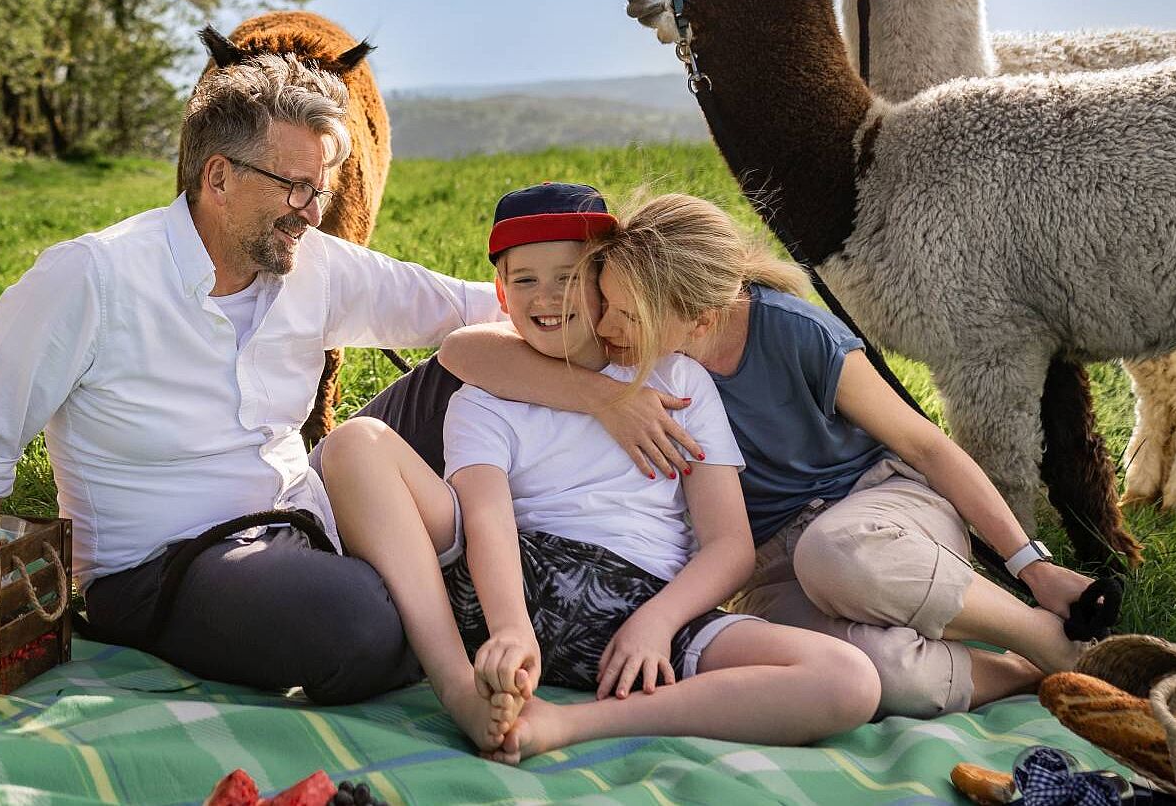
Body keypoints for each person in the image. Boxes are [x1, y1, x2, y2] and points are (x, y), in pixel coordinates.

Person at [0, 50, 502, 703]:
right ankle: (460, 595)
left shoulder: (314, 265)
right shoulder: (92, 277)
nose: (311, 213)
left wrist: (607, 371)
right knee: (362, 624)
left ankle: (510, 570)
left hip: (308, 511)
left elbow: (474, 307)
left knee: (466, 368)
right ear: (218, 177)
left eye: (320, 190)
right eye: (293, 186)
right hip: (165, 568)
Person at [439, 193, 1101, 719]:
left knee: (839, 554)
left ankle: (1039, 634)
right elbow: (463, 352)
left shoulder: (794, 334)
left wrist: (1032, 566)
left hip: (877, 511)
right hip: (769, 561)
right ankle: (1026, 677)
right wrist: (598, 396)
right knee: (883, 678)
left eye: (622, 314)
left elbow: (924, 444)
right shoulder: (645, 364)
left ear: (695, 319)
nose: (605, 327)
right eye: (605, 304)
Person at [321, 183, 880, 759]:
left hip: (647, 604)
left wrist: (659, 621)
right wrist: (510, 626)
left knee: (848, 680)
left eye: (569, 277)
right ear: (501, 293)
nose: (547, 297)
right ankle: (459, 686)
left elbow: (729, 545)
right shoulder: (485, 398)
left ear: (606, 284)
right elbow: (486, 517)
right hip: (507, 583)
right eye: (525, 280)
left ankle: (570, 725)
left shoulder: (675, 379)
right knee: (355, 442)